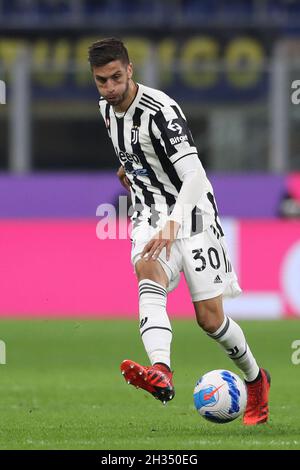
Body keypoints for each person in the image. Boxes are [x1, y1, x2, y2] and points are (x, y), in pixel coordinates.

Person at [88, 37, 270, 425]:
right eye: (102, 81)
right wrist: (133, 173)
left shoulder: (161, 111)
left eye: (117, 78)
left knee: (210, 320)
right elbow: (135, 154)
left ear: (130, 70)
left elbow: (194, 176)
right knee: (147, 272)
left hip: (194, 214)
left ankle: (256, 381)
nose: (110, 88)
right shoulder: (106, 110)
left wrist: (174, 223)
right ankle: (162, 372)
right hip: (151, 214)